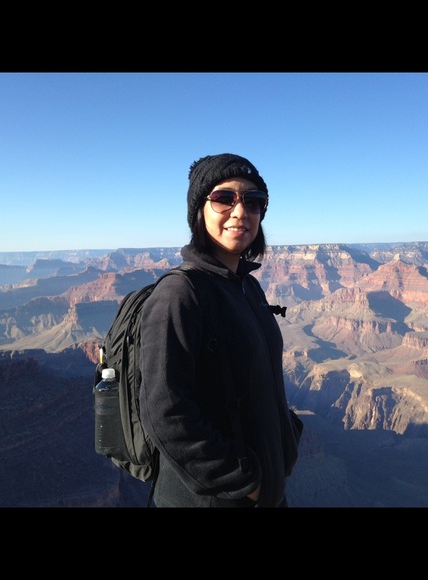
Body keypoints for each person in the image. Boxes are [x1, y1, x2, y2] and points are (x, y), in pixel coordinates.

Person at [139, 153, 303, 507]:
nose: (241, 212)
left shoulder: (247, 287)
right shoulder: (179, 294)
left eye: (253, 201)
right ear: (199, 211)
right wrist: (246, 482)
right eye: (224, 198)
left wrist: (286, 437)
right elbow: (164, 412)